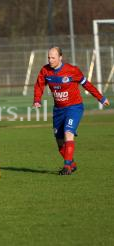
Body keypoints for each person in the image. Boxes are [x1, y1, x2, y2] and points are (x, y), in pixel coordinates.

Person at [33, 46, 110, 175]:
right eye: (49, 57)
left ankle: (67, 167)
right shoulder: (45, 71)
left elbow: (87, 84)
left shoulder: (72, 70)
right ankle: (72, 164)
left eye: (53, 57)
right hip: (58, 110)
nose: (50, 60)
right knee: (59, 143)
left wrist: (100, 98)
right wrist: (37, 100)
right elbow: (39, 85)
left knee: (68, 132)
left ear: (60, 57)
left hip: (74, 107)